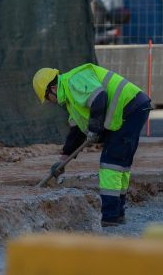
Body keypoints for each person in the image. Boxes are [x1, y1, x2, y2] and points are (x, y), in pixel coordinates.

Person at [32, 64, 151, 227]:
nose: (49, 102)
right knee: (120, 164)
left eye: (47, 97)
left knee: (111, 163)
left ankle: (110, 216)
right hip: (132, 109)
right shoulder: (70, 100)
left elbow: (99, 98)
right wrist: (63, 159)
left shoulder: (73, 81)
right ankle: (117, 213)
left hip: (130, 107)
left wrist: (95, 128)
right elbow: (77, 132)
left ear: (53, 88)